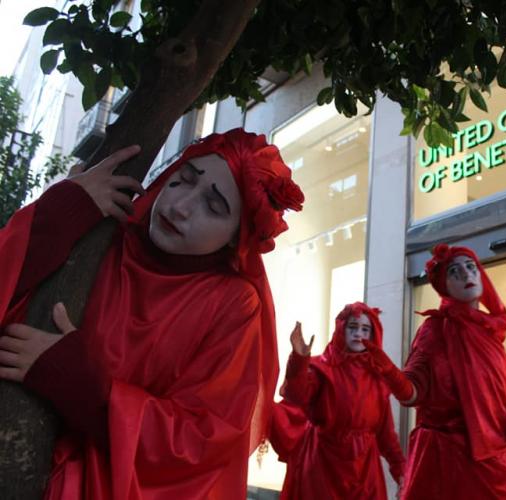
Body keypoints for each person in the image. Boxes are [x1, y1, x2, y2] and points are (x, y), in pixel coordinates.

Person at [0, 129, 304, 499]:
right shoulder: (104, 236)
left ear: (235, 237)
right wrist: (62, 210)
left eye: (214, 206)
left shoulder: (234, 304)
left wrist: (91, 393)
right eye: (181, 181)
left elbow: (206, 440)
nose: (179, 206)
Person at [364, 243, 506, 499]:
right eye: (454, 271)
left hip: (496, 463)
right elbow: (412, 392)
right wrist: (386, 368)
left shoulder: (491, 333)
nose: (466, 274)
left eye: (471, 267)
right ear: (444, 286)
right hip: (450, 464)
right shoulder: (436, 331)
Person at [272, 302, 405, 500]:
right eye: (352, 327)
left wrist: (401, 471)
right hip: (324, 465)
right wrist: (299, 360)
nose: (358, 333)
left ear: (372, 334)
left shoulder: (377, 376)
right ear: (342, 328)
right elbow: (297, 395)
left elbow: (386, 434)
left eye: (365, 329)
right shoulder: (322, 368)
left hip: (365, 470)